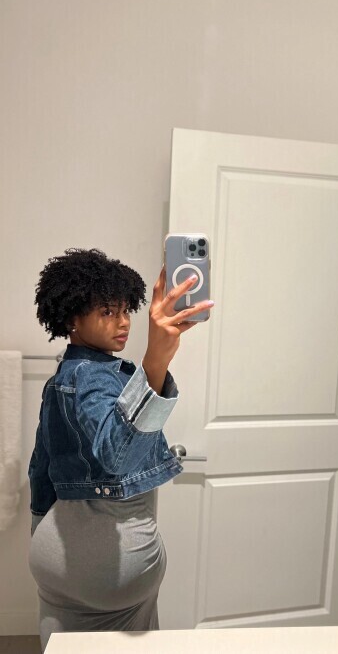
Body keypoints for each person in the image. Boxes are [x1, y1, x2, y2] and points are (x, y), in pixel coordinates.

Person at [28, 248, 214, 651]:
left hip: (52, 556)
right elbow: (117, 457)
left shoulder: (61, 379)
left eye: (126, 309)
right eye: (108, 312)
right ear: (72, 319)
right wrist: (154, 364)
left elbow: (41, 466)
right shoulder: (94, 377)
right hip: (109, 568)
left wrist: (40, 530)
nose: (124, 321)